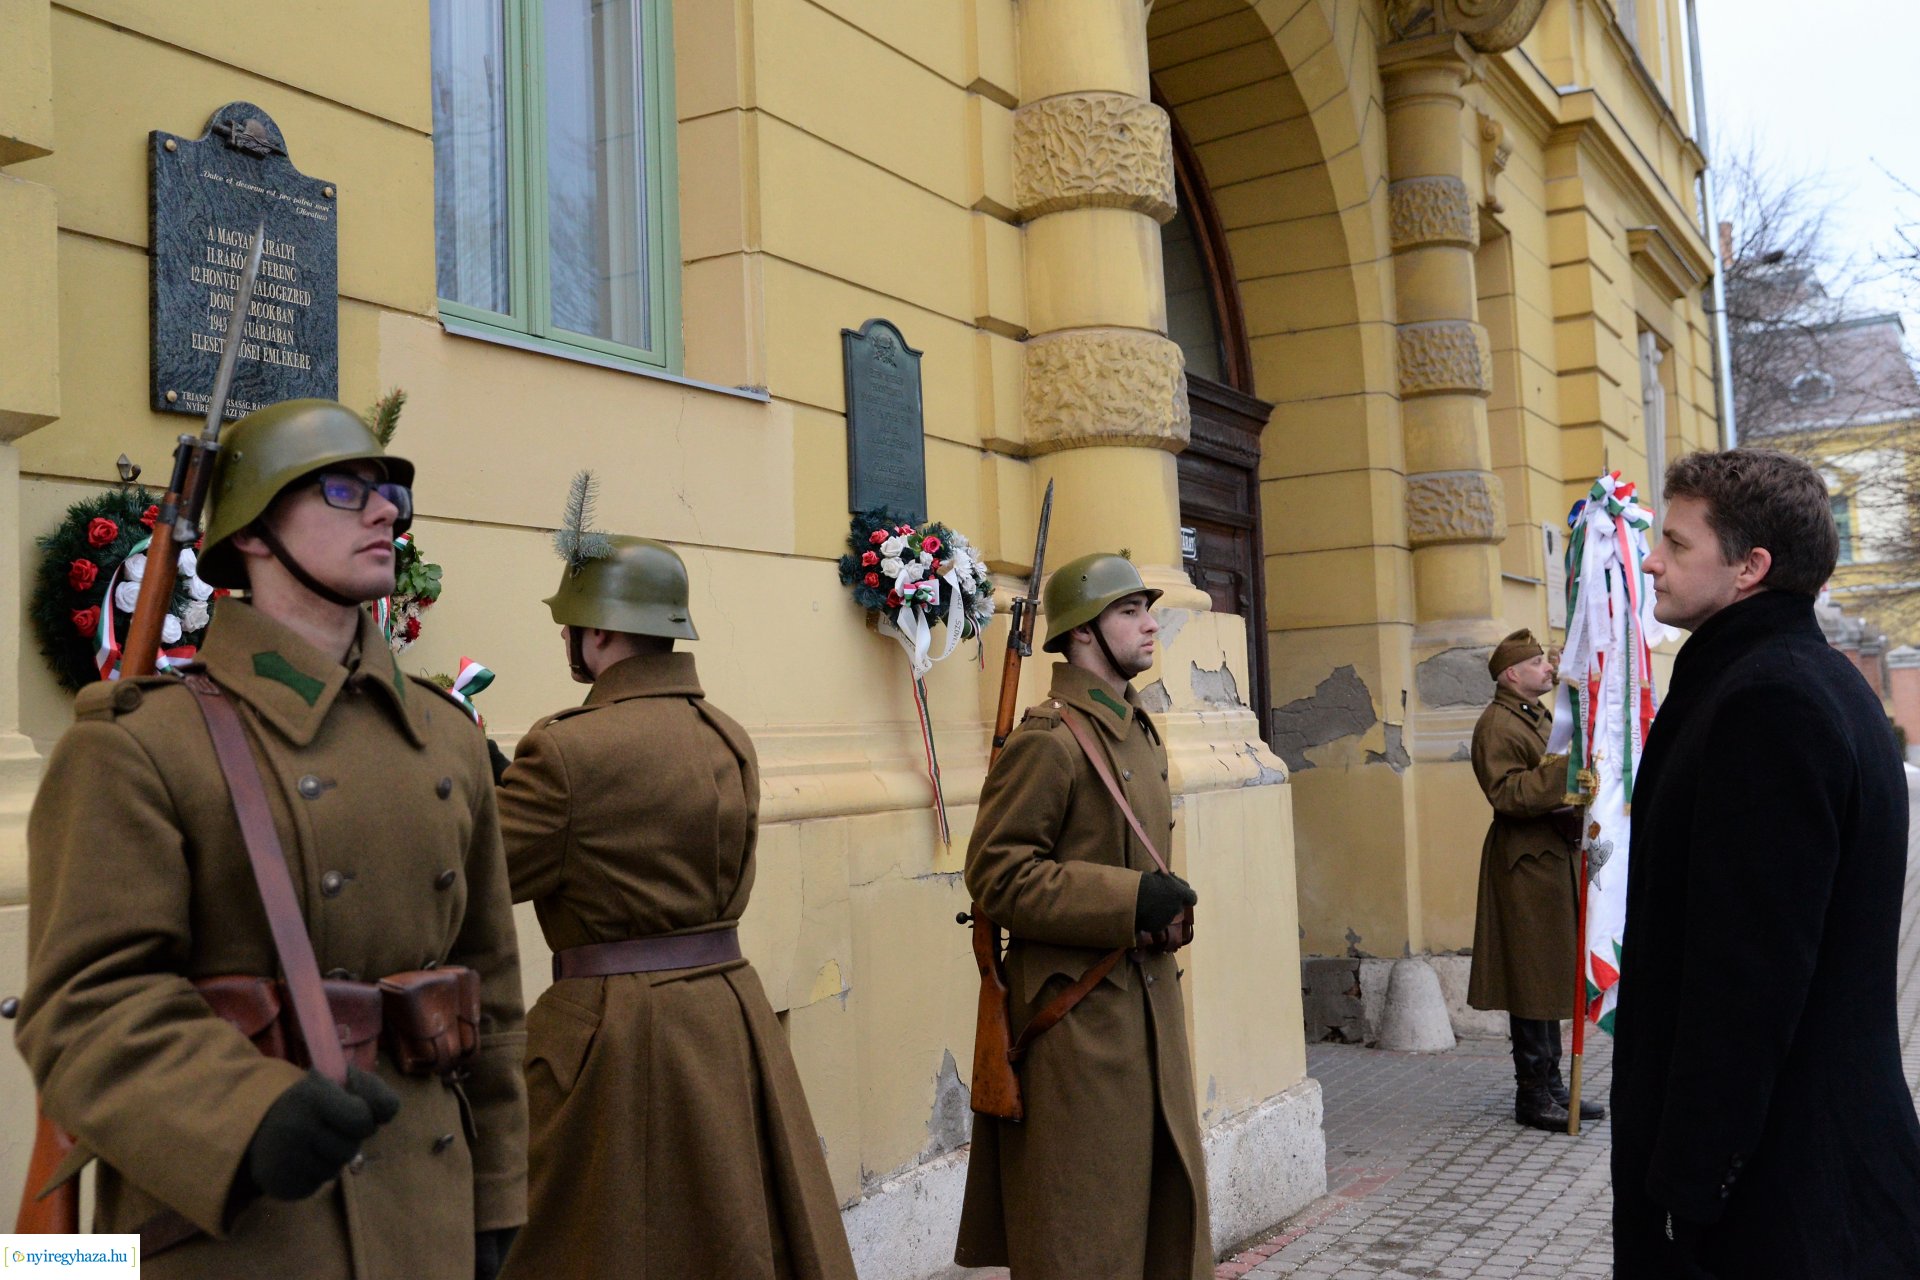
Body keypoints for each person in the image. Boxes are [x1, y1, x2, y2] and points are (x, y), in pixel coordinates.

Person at [15, 399, 528, 1279]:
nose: (386, 512)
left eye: (390, 494)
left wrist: (497, 1199)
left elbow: (493, 993)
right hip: (242, 1227)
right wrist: (242, 1116)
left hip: (427, 1213)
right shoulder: (139, 746)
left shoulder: (447, 739)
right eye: (343, 489)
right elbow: (85, 1006)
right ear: (251, 532)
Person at [493, 533, 857, 1280]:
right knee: (731, 1236)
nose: (568, 640)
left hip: (616, 1039)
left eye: (571, 625)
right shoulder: (726, 734)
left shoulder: (565, 750)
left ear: (598, 632)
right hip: (726, 1015)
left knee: (601, 1246)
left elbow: (480, 872)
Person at [1613, 448, 1920, 1276]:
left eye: (1677, 543)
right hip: (1804, 1169)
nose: (1652, 560)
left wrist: (1689, 1185)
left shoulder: (1768, 702)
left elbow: (1746, 979)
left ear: (1750, 567)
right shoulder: (1796, 681)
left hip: (1780, 1194)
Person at [955, 552, 1210, 1280]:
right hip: (1077, 1023)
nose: (1149, 624)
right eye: (1129, 611)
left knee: (1154, 1226)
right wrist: (1128, 901)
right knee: (1084, 1232)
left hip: (1145, 1010)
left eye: (1146, 608)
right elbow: (998, 873)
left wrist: (1158, 908)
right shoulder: (1050, 739)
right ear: (1082, 632)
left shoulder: (1136, 728)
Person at [1465, 629, 1602, 1133]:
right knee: (1531, 976)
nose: (1547, 668)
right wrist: (1566, 771)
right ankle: (1533, 1094)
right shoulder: (1497, 724)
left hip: (1550, 858)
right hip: (1525, 864)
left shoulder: (1534, 713)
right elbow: (1506, 793)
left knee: (1549, 973)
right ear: (1511, 674)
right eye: (1537, 663)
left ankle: (1554, 1086)